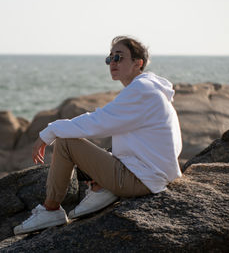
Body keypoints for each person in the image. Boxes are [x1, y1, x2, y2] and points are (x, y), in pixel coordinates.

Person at [13, 36, 182, 235]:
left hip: (142, 179)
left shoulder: (142, 90)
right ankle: (101, 187)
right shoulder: (151, 89)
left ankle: (51, 210)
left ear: (138, 63)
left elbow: (98, 122)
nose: (113, 63)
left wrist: (50, 131)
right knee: (96, 148)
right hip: (149, 173)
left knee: (66, 142)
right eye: (110, 59)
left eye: (119, 57)